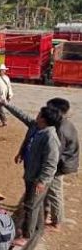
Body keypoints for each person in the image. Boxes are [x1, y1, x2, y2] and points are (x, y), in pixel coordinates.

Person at [0, 101, 61, 245]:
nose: (36, 116)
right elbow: (21, 115)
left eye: (39, 115)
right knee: (35, 204)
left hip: (37, 179)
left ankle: (27, 236)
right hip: (30, 174)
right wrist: (5, 104)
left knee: (31, 205)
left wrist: (42, 181)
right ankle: (36, 228)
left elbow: (51, 163)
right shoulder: (36, 127)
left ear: (44, 120)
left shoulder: (50, 138)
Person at [44, 98, 79, 231]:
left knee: (55, 192)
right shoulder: (65, 123)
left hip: (61, 165)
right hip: (65, 162)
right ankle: (50, 215)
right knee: (52, 190)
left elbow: (55, 153)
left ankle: (56, 222)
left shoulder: (60, 128)